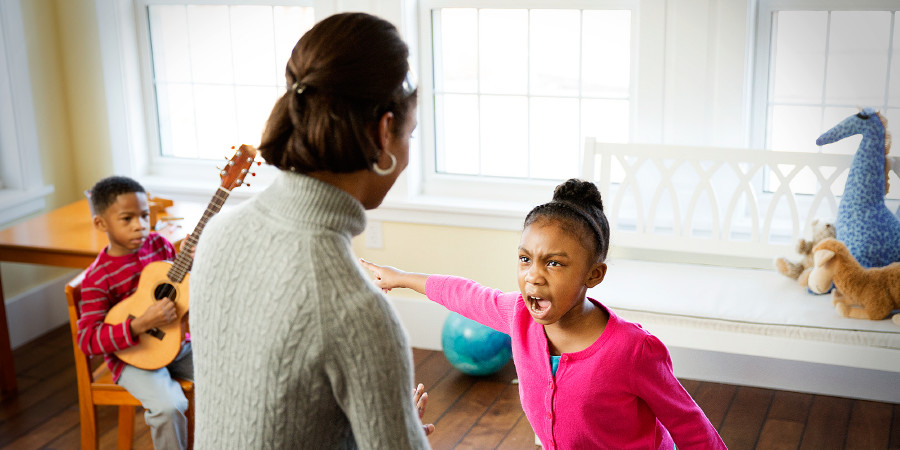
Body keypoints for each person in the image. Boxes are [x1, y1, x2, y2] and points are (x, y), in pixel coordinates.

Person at [188, 12, 432, 448]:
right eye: (409, 136)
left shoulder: (219, 234)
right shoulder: (355, 311)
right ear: (383, 134)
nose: (408, 154)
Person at [361, 179, 727, 449]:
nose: (533, 275)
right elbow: (465, 293)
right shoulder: (517, 314)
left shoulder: (633, 349)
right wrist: (403, 278)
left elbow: (689, 423)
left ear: (593, 275)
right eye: (525, 259)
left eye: (554, 263)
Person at [78, 175, 193, 450]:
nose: (139, 226)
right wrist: (139, 324)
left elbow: (181, 289)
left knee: (232, 370)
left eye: (144, 216)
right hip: (130, 358)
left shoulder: (159, 245)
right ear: (101, 223)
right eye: (127, 219)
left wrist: (192, 260)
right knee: (169, 406)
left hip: (175, 344)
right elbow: (88, 341)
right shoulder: (98, 278)